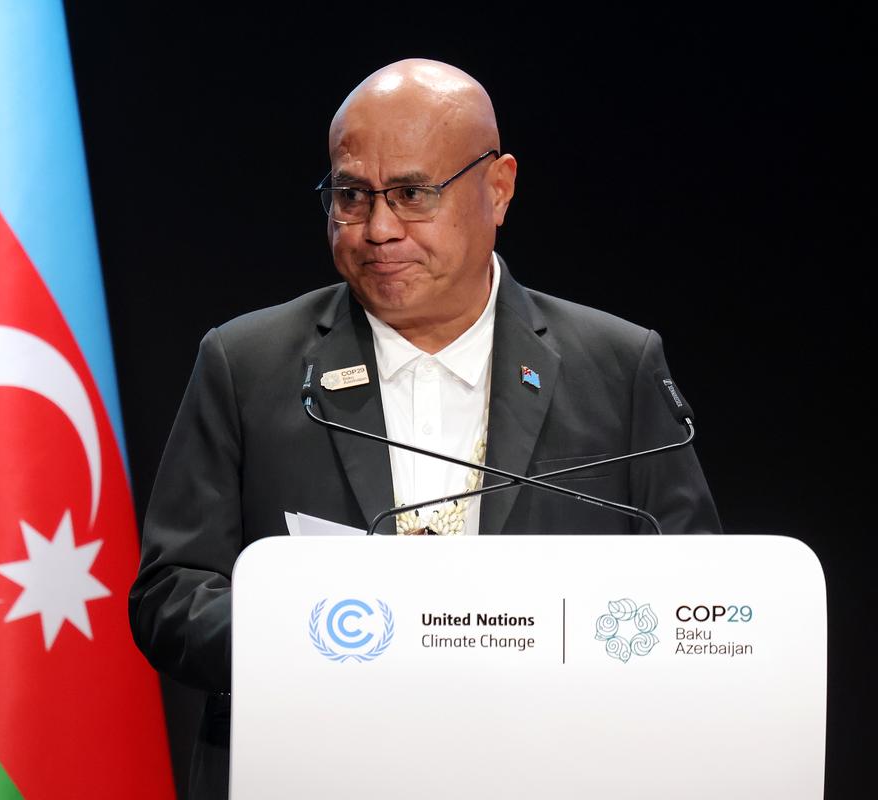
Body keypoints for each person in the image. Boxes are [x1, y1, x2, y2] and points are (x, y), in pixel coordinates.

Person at [129, 58, 720, 799]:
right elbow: (170, 595)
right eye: (352, 196)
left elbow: (701, 597)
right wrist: (322, 636)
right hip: (312, 770)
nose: (379, 230)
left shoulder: (617, 365)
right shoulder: (247, 364)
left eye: (412, 195)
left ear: (498, 188)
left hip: (551, 769)